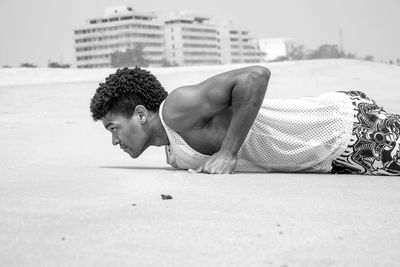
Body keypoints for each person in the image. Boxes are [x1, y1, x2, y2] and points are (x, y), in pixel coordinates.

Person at [90, 66, 400, 175]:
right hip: (333, 160)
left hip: (348, 131)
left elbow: (255, 76)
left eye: (113, 129)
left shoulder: (177, 109)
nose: (115, 141)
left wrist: (228, 153)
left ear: (141, 114)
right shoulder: (173, 150)